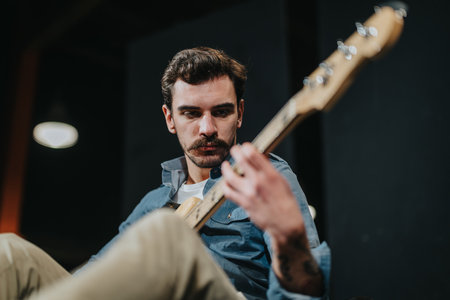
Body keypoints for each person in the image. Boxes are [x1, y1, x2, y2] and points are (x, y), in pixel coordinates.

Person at [0, 47, 330, 300]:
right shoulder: (152, 203)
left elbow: (309, 292)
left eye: (221, 112)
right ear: (170, 119)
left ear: (240, 113)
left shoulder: (265, 175)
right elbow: (91, 275)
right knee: (11, 253)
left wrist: (291, 240)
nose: (207, 128)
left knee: (167, 234)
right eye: (190, 113)